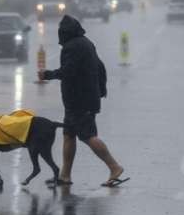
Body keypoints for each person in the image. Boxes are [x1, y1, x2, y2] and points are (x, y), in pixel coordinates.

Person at [37, 15, 128, 187]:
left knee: (88, 136)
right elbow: (100, 67)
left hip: (80, 101)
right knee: (69, 135)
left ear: (64, 33)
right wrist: (101, 89)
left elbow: (68, 72)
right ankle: (65, 175)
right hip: (81, 100)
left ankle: (114, 167)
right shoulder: (87, 43)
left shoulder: (71, 47)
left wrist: (48, 75)